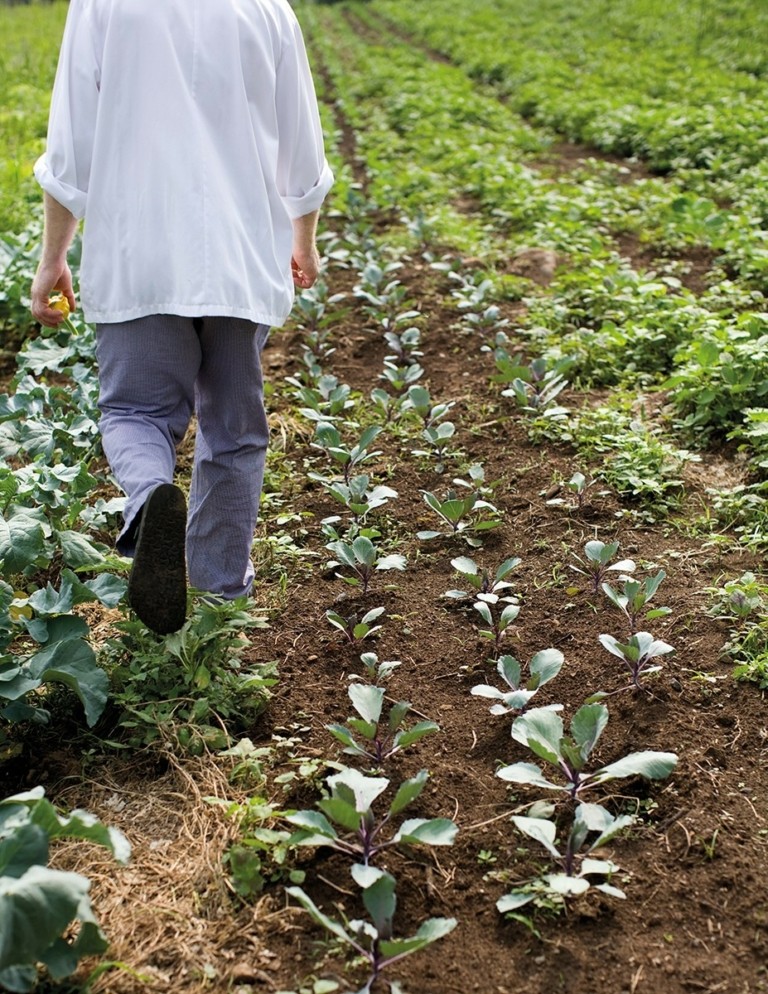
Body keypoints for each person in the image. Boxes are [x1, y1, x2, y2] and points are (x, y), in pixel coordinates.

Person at [30, 0, 333, 635]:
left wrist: (53, 256)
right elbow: (301, 144)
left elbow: (71, 141)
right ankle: (221, 606)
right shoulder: (267, 8)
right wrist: (301, 238)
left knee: (137, 412)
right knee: (235, 428)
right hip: (239, 253)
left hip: (141, 250)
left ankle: (149, 506)